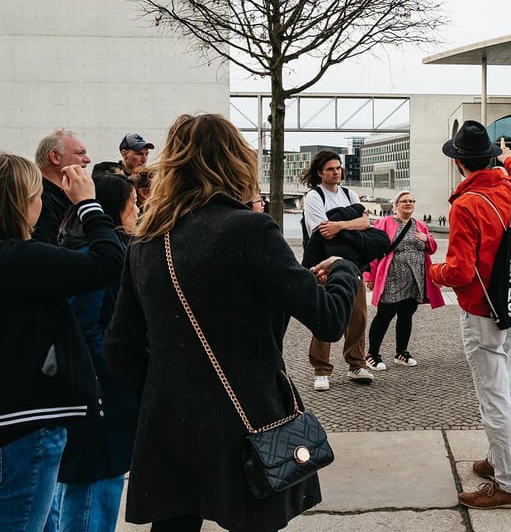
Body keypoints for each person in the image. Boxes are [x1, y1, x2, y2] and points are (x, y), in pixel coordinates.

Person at [104, 114, 359, 532]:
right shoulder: (249, 228)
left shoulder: (149, 239)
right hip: (247, 412)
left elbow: (120, 347)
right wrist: (346, 270)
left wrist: (165, 388)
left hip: (170, 417)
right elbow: (329, 320)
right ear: (235, 162)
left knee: (174, 523)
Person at [0, 156, 124, 532]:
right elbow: (108, 260)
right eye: (38, 195)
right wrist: (89, 203)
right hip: (27, 424)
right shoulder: (21, 260)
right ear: (22, 202)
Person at [429, 120, 511, 510]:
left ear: (460, 162)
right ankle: (496, 461)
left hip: (483, 311)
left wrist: (431, 271)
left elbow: (459, 271)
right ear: (490, 157)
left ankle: (510, 485)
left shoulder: (466, 205)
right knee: (505, 389)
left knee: (494, 400)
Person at [46, 175, 140, 532]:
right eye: (132, 203)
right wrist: (118, 371)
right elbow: (87, 328)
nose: (137, 209)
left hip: (94, 387)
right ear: (114, 209)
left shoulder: (76, 249)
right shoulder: (99, 258)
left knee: (78, 484)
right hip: (101, 392)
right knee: (96, 485)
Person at [299, 150, 375, 390]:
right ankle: (321, 369)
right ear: (320, 172)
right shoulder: (314, 196)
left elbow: (366, 223)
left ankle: (356, 363)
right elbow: (322, 230)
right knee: (325, 315)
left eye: (338, 167)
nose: (336, 172)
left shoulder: (349, 193)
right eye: (331, 168)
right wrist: (352, 227)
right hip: (323, 264)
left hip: (352, 263)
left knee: (358, 314)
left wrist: (341, 225)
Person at [363, 190, 444, 370]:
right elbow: (372, 250)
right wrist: (370, 276)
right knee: (385, 315)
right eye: (404, 201)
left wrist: (427, 239)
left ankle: (401, 352)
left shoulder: (420, 225)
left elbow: (431, 249)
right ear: (396, 205)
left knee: (407, 315)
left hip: (415, 277)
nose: (408, 204)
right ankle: (372, 354)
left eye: (411, 201)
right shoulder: (384, 223)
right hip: (392, 277)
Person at [33, 130, 92, 244]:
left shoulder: (66, 195)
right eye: (80, 153)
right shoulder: (37, 198)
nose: (87, 160)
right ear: (55, 156)